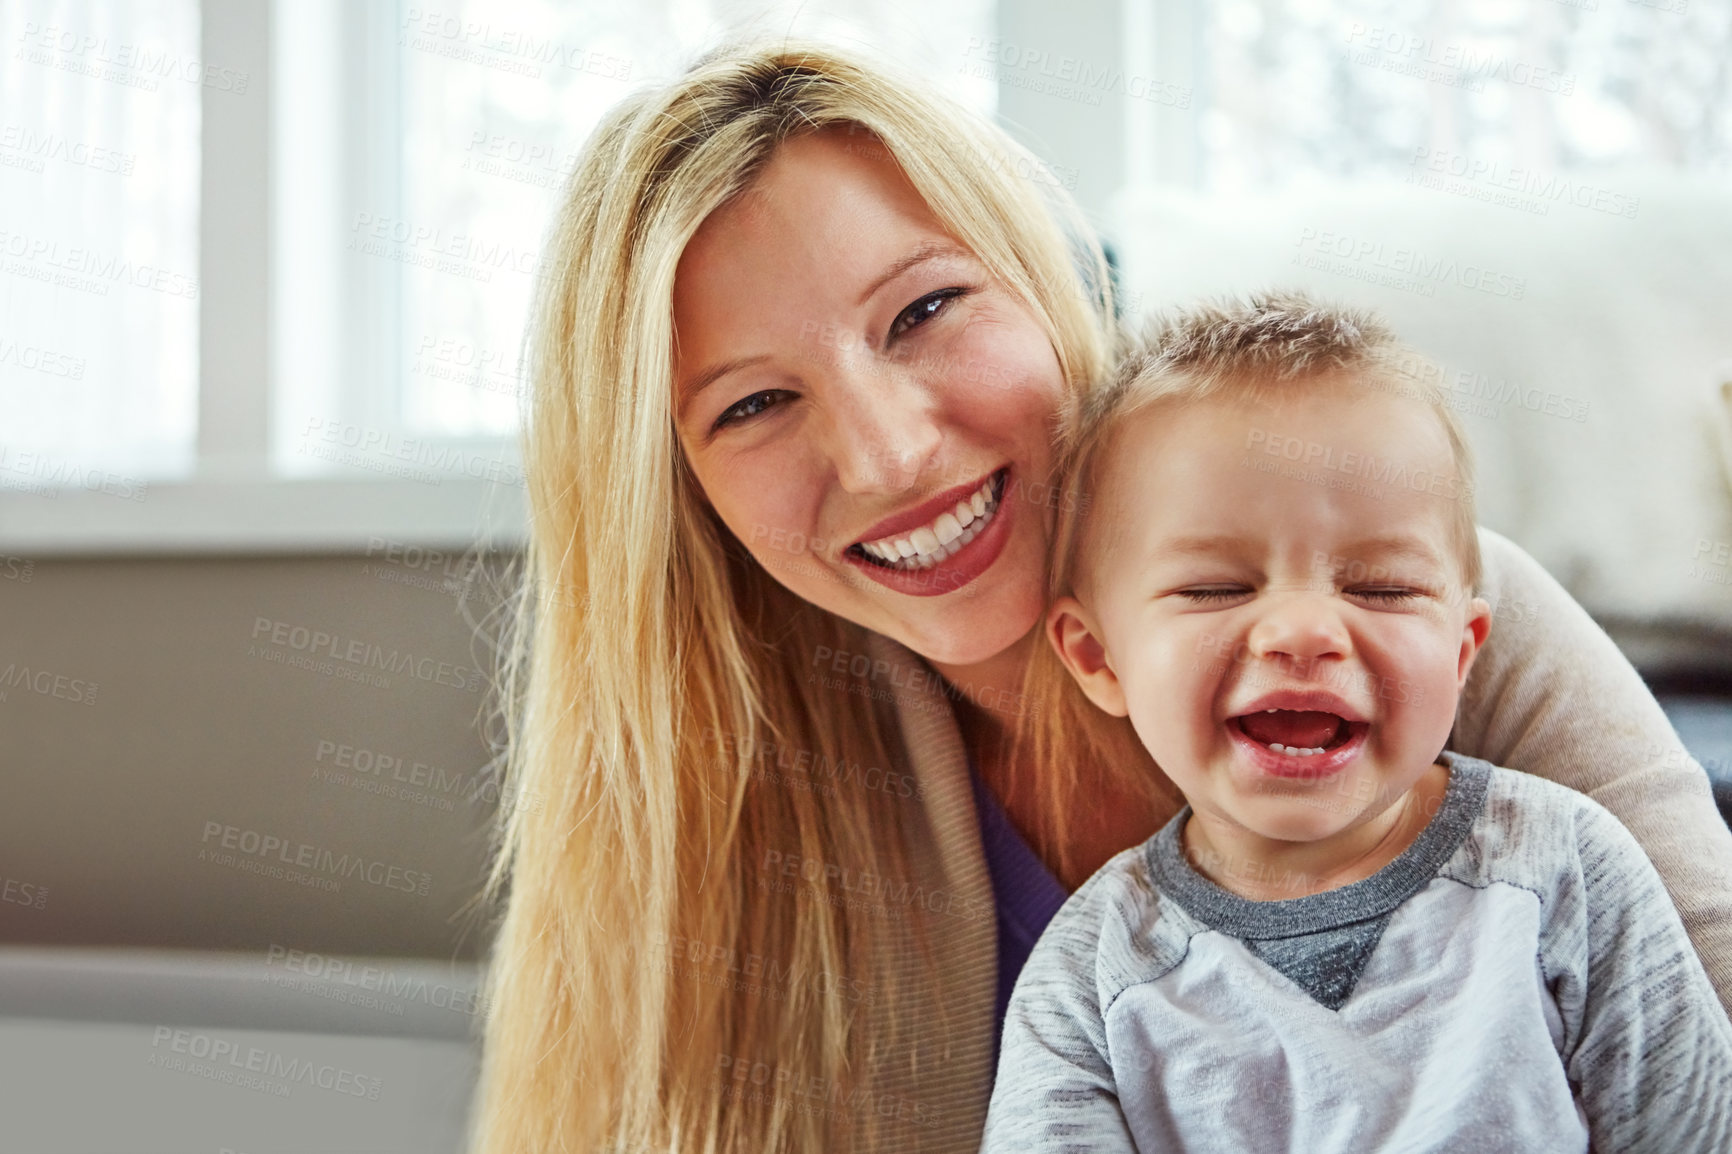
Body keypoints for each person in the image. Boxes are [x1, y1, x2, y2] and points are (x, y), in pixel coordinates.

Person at [467, 39, 1732, 1154]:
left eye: (923, 310)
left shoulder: (1447, 643)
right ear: (682, 492)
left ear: (1040, 281)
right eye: (751, 403)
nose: (888, 453)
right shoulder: (728, 811)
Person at [981, 294, 1732, 1152]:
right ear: (1099, 659)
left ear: (1461, 652)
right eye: (1215, 587)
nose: (1304, 631)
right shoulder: (1094, 978)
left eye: (1381, 589)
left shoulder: (1565, 871)